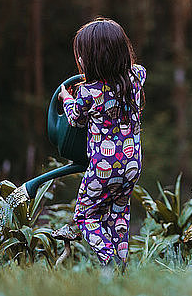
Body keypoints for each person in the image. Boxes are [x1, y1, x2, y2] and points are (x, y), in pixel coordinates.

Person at [58, 17, 146, 267]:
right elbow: (136, 71)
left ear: (93, 59)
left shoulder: (88, 91)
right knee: (119, 214)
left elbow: (75, 118)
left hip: (103, 168)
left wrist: (66, 96)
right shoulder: (137, 76)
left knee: (84, 215)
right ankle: (120, 269)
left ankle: (110, 261)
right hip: (131, 165)